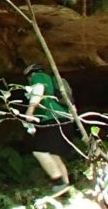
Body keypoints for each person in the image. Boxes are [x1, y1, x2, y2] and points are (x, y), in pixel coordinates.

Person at [22, 63, 75, 193]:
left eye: (28, 78)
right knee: (53, 153)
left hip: (52, 118)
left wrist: (30, 109)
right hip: (65, 119)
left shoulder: (39, 76)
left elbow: (38, 89)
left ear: (31, 74)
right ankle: (66, 185)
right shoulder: (53, 81)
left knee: (39, 151)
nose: (29, 81)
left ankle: (58, 181)